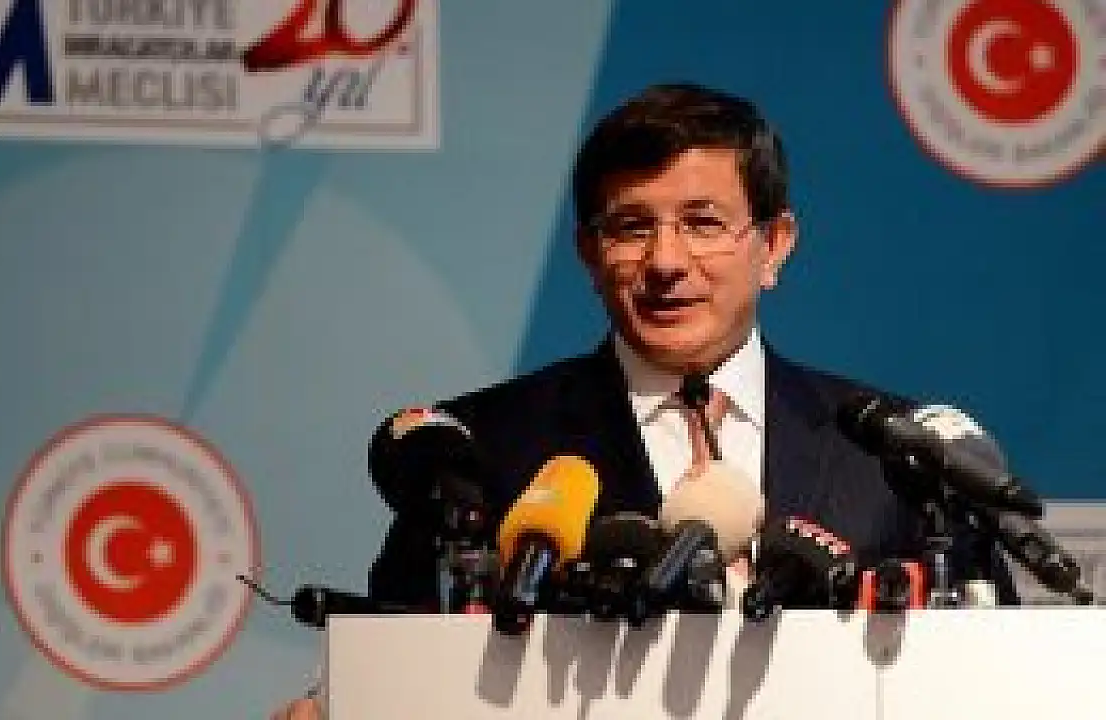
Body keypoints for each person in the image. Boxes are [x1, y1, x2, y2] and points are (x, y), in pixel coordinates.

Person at [271, 81, 1016, 720]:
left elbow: (998, 679)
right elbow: (398, 669)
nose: (665, 261)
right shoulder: (482, 450)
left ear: (775, 244)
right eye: (631, 227)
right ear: (589, 254)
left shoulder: (892, 457)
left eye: (703, 223)